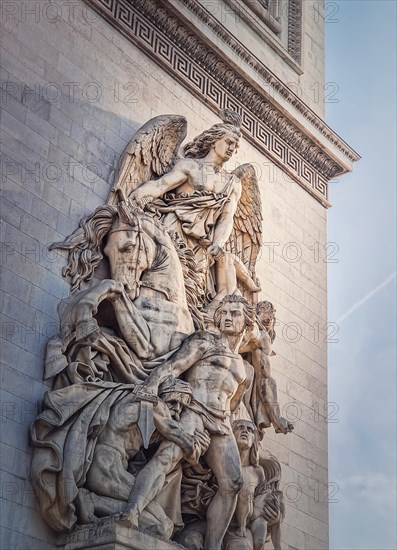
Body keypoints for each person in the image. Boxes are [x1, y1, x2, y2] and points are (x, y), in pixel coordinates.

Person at [118, 295, 256, 550]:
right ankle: (130, 511)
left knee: (234, 483)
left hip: (221, 422)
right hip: (194, 410)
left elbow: (234, 402)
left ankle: (212, 545)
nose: (227, 317)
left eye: (235, 313)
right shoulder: (205, 340)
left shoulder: (244, 369)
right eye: (224, 312)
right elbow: (175, 366)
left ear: (247, 321)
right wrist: (150, 384)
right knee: (166, 458)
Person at [130, 114, 243, 302]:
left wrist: (218, 243)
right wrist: (139, 195)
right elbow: (160, 186)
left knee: (191, 294)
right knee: (158, 278)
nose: (232, 149)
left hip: (200, 245)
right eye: (229, 142)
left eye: (236, 147)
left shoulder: (233, 183)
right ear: (214, 141)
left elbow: (226, 217)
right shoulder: (191, 166)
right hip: (174, 230)